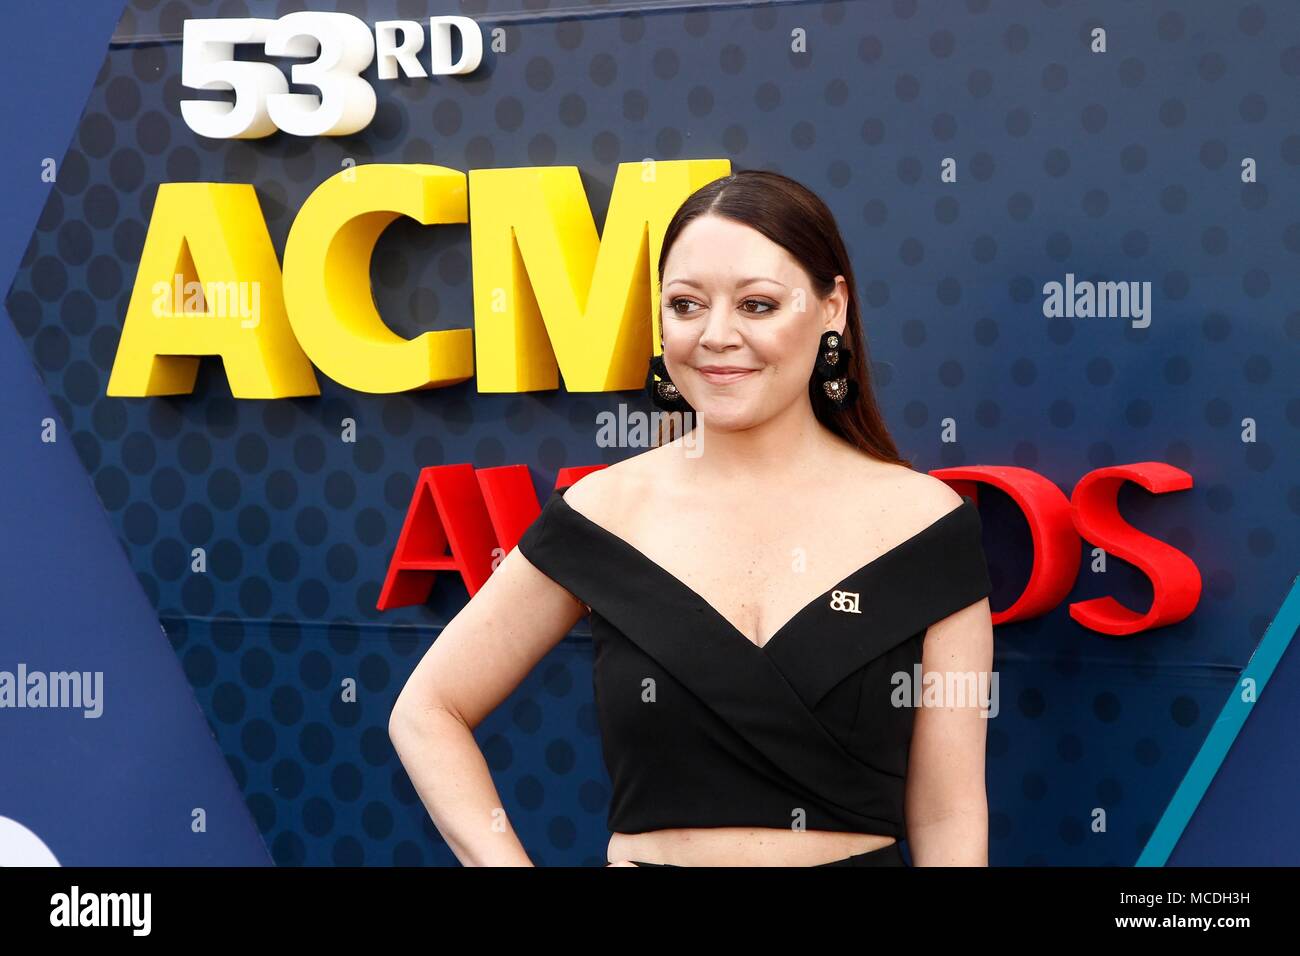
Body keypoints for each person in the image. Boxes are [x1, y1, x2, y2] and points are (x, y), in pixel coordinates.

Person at [389, 170, 995, 867]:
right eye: (685, 305)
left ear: (832, 307)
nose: (716, 336)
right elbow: (427, 711)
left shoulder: (925, 526)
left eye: (758, 305)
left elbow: (950, 813)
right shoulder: (604, 515)